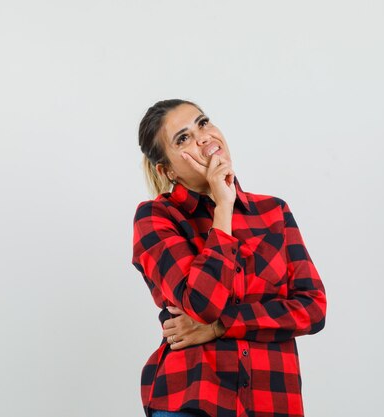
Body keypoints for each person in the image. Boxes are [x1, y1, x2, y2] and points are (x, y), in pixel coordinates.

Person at [131, 99, 327, 417]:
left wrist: (221, 327)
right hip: (194, 400)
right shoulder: (156, 217)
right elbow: (202, 303)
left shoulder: (274, 212)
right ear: (166, 170)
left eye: (203, 123)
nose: (203, 137)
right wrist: (223, 207)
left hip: (273, 402)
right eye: (183, 138)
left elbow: (313, 309)